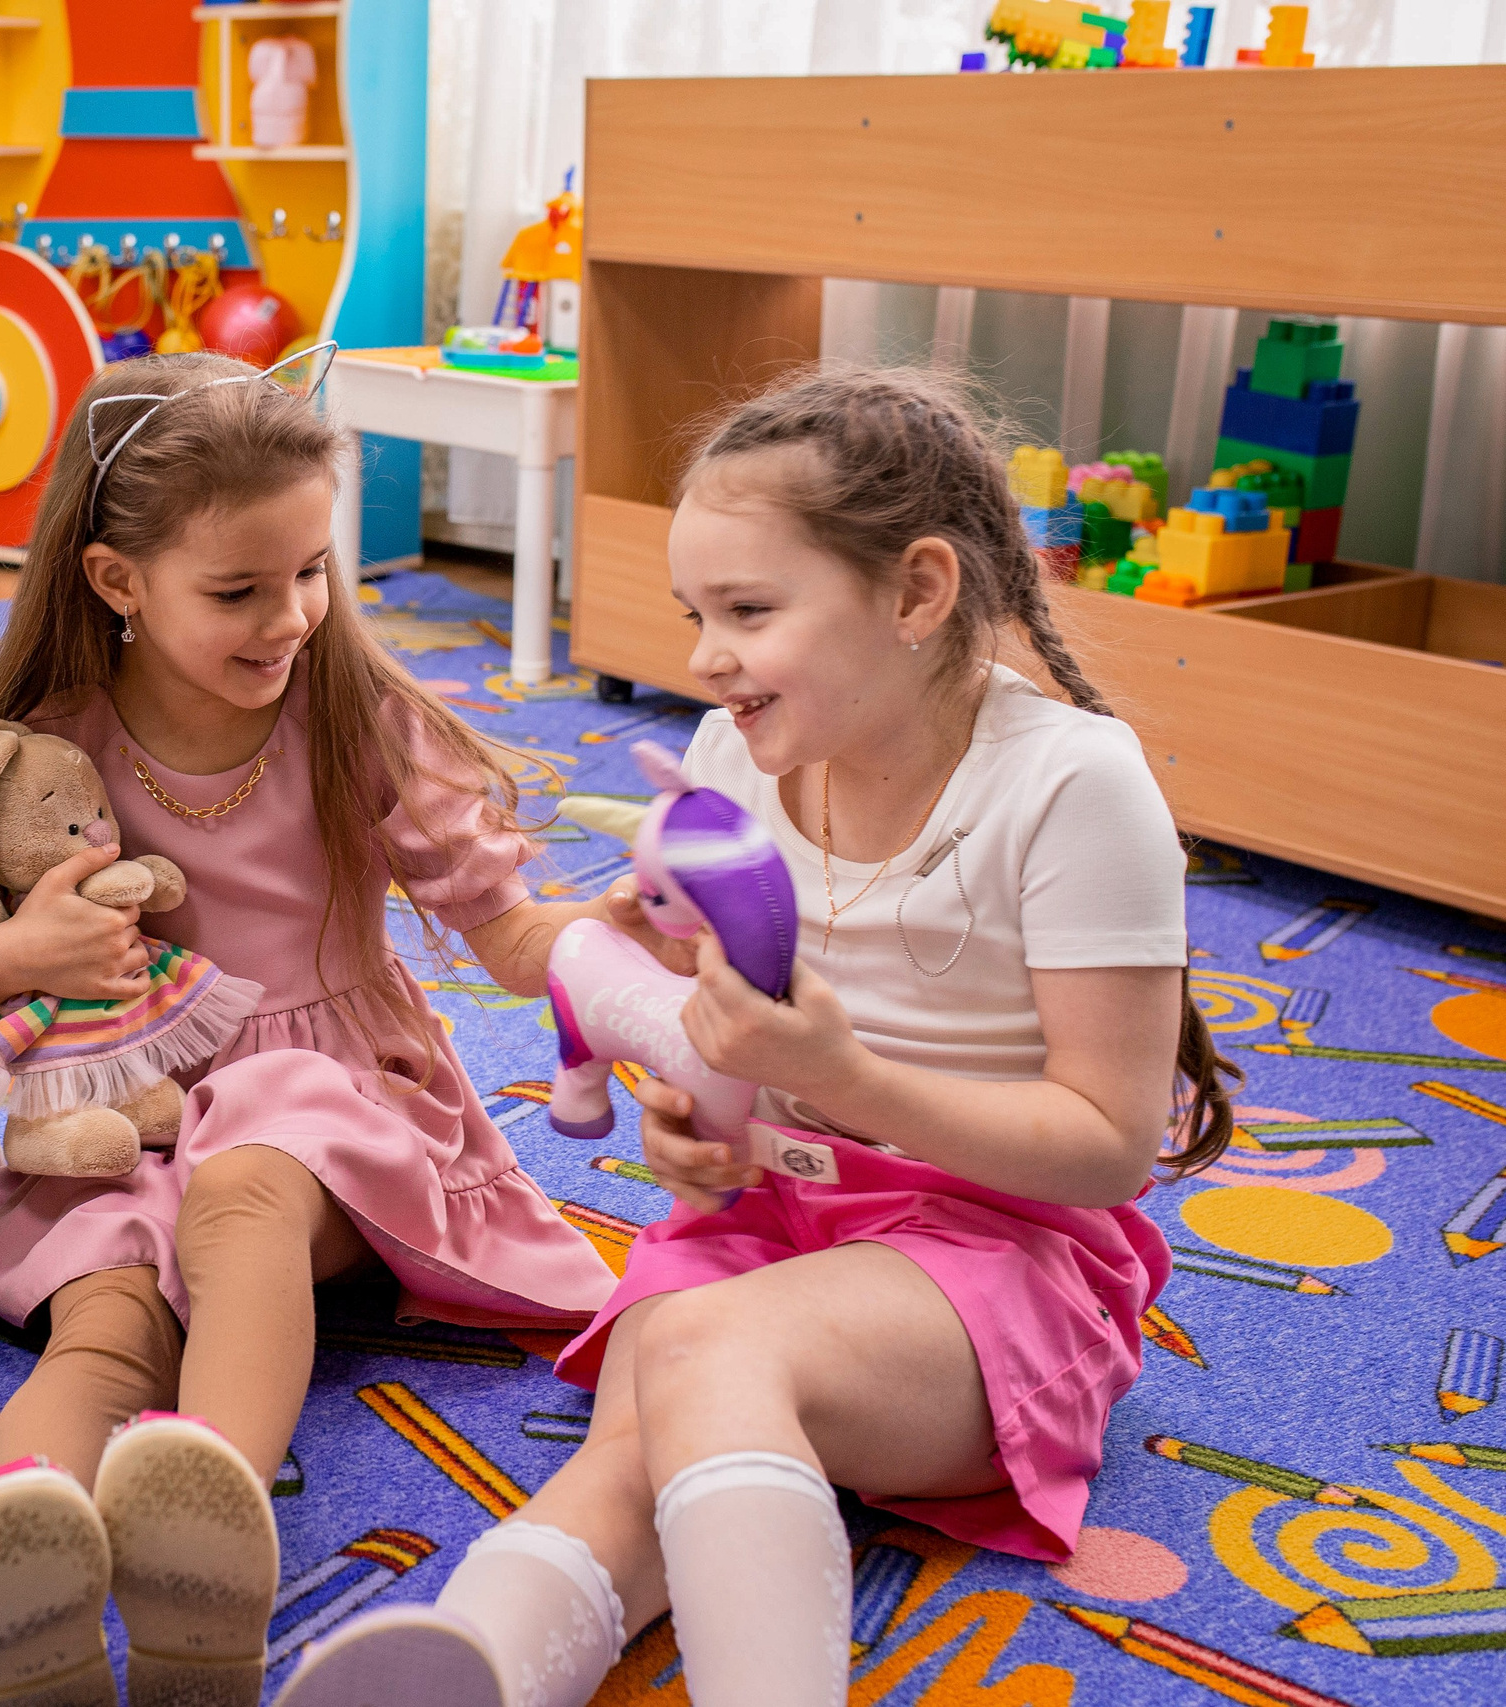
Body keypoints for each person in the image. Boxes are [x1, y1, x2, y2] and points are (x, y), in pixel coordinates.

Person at [276, 365, 1239, 1707]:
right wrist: (697, 1113)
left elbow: (1106, 1145)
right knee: (636, 1437)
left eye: (749, 611)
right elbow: (719, 1030)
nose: (704, 656)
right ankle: (483, 1662)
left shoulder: (1074, 783)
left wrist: (840, 1077)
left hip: (996, 1255)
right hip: (778, 1220)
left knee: (701, 1351)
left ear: (915, 593)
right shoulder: (742, 758)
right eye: (695, 613)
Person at [0, 349, 656, 1707]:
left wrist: (618, 937)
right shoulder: (40, 753)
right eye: (237, 589)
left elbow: (509, 933)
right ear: (119, 580)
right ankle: (20, 1550)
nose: (290, 614)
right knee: (105, 1309)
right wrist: (12, 952)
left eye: (311, 571)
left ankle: (208, 1539)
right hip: (126, 1107)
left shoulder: (352, 712)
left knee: (246, 1180)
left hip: (333, 1105)